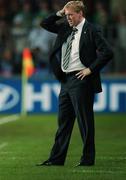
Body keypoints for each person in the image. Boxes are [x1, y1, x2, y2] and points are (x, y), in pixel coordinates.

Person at [37, 1, 113, 167]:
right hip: (65, 80)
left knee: (85, 121)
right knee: (63, 122)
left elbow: (108, 52)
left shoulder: (91, 30)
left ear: (80, 14)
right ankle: (56, 159)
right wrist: (60, 12)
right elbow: (44, 23)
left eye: (71, 14)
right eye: (67, 15)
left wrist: (90, 70)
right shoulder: (65, 27)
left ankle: (87, 159)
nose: (68, 18)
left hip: (81, 79)